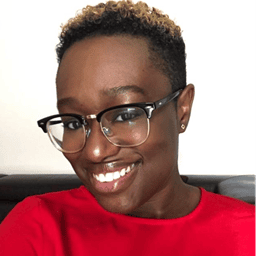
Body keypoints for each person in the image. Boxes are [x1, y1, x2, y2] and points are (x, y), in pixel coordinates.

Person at [0, 0, 255, 255]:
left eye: (125, 115)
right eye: (73, 122)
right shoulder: (39, 227)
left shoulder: (248, 233)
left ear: (182, 108)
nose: (94, 152)